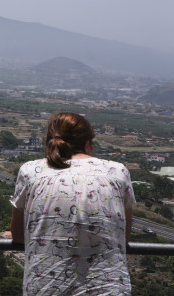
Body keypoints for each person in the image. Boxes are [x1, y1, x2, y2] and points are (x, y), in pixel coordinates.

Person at [10, 112, 136, 295]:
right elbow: (123, 237)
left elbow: (18, 236)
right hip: (108, 288)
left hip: (45, 287)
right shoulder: (117, 171)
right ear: (88, 144)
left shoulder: (30, 170)